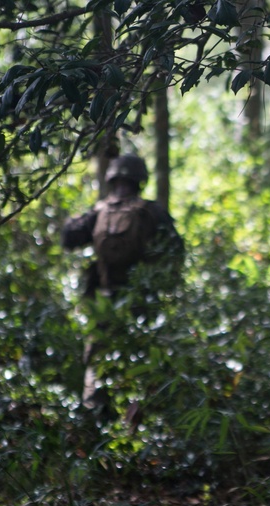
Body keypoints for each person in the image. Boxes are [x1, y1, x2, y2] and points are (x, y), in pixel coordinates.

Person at [61, 154, 184, 412]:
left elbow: (68, 237)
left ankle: (93, 418)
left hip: (104, 303)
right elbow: (176, 251)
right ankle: (137, 423)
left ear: (111, 179)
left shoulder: (99, 212)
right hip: (141, 303)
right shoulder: (152, 211)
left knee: (97, 364)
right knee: (142, 368)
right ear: (141, 180)